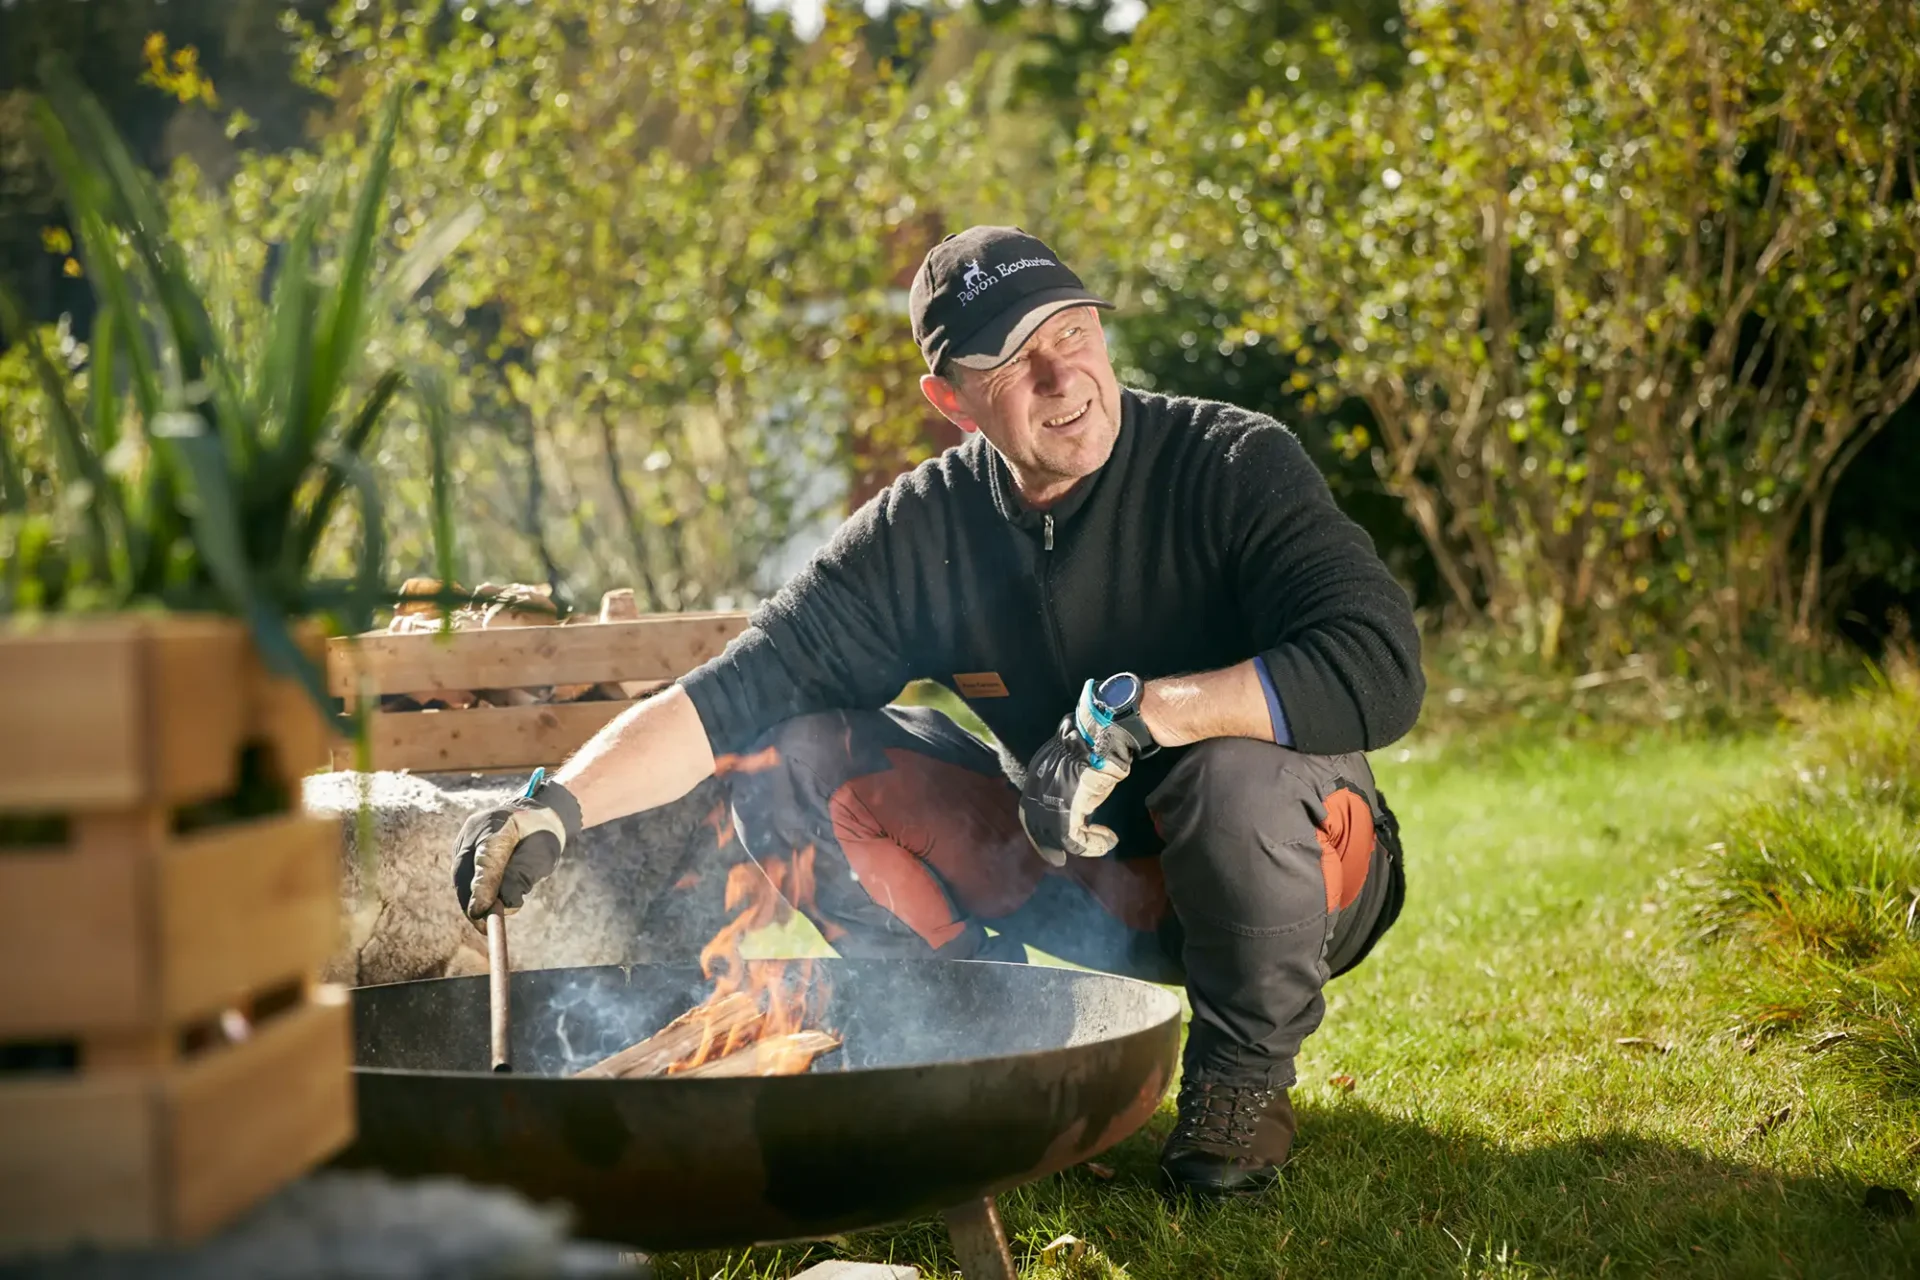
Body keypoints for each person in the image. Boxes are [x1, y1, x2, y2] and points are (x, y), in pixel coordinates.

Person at [451, 225, 1424, 1196]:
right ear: (951, 400)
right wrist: (552, 804)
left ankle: (1235, 1100)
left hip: (1301, 875)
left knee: (1231, 768)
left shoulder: (1230, 462)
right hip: (1081, 877)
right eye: (1012, 358)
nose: (1063, 374)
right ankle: (968, 1039)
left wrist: (1144, 715)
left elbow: (1380, 664)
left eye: (1074, 330)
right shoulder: (921, 531)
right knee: (790, 759)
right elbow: (731, 694)